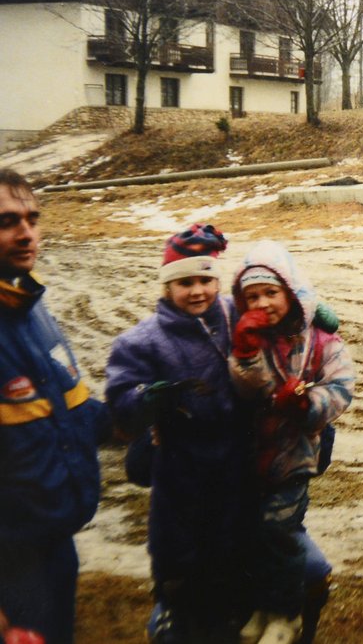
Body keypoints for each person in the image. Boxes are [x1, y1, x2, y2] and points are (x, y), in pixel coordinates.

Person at [105, 224, 259, 643]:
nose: (197, 291)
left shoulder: (234, 318)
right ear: (167, 285)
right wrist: (150, 399)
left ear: (218, 280)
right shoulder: (141, 341)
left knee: (233, 568)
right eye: (184, 282)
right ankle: (173, 614)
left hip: (235, 468)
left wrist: (309, 312)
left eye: (206, 279)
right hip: (180, 472)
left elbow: (279, 311)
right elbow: (121, 405)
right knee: (181, 570)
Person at [0, 169, 109, 644]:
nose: (26, 233)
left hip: (54, 545)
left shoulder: (31, 306)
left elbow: (75, 412)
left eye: (32, 218)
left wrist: (141, 411)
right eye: (7, 221)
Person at [229, 240, 354, 644]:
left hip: (295, 451)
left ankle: (285, 612)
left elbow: (341, 386)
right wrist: (245, 353)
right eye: (252, 296)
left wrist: (307, 403)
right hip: (250, 452)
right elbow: (248, 390)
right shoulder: (248, 336)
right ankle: (262, 606)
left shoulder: (318, 340)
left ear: (290, 292)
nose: (263, 303)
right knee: (254, 531)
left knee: (280, 530)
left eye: (271, 292)